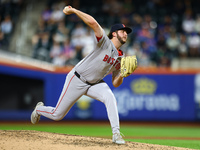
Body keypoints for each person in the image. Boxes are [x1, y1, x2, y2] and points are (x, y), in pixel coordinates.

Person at [31, 5, 132, 145]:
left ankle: (116, 134)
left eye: (127, 32)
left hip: (95, 83)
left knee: (110, 97)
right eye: (123, 31)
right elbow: (93, 23)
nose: (126, 34)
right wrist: (73, 10)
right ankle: (39, 109)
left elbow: (115, 83)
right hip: (77, 78)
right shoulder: (104, 42)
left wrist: (122, 74)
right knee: (57, 115)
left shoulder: (122, 57)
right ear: (114, 33)